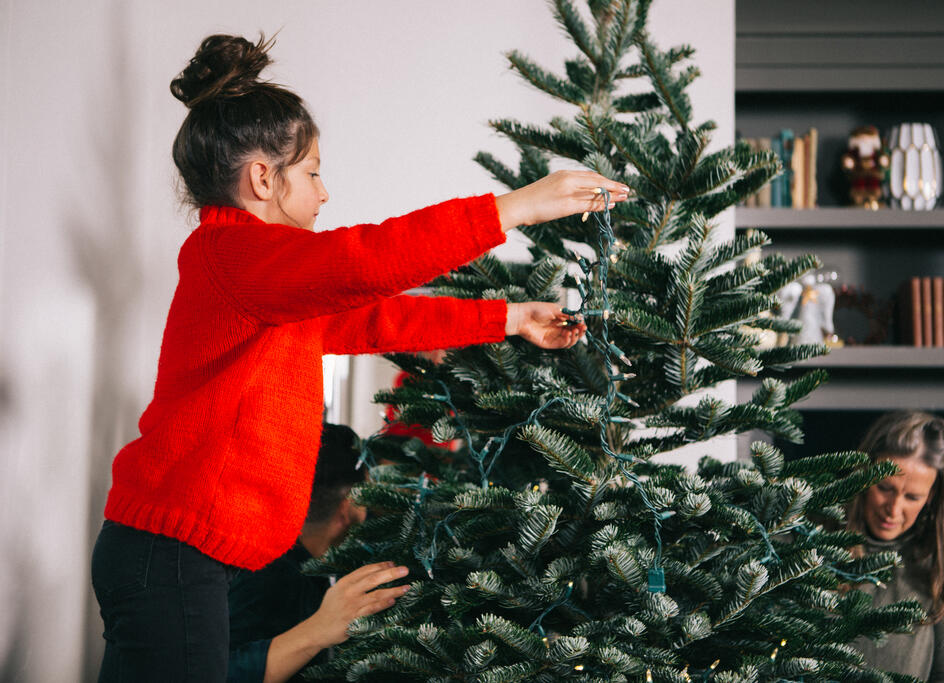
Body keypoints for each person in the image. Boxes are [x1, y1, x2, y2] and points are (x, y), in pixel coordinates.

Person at [90, 32, 630, 681]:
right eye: (313, 172)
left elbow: (377, 317)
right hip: (173, 554)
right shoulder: (232, 259)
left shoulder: (267, 285)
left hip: (186, 555)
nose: (323, 194)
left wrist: (509, 317)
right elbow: (362, 261)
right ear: (263, 177)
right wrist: (515, 208)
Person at [228, 422, 369, 682]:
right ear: (348, 506)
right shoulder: (269, 576)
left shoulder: (303, 563)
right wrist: (316, 631)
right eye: (369, 495)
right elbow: (221, 671)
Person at [848, 411, 944, 681]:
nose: (893, 510)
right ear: (863, 474)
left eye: (912, 497)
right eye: (885, 488)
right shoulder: (813, 542)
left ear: (932, 497)